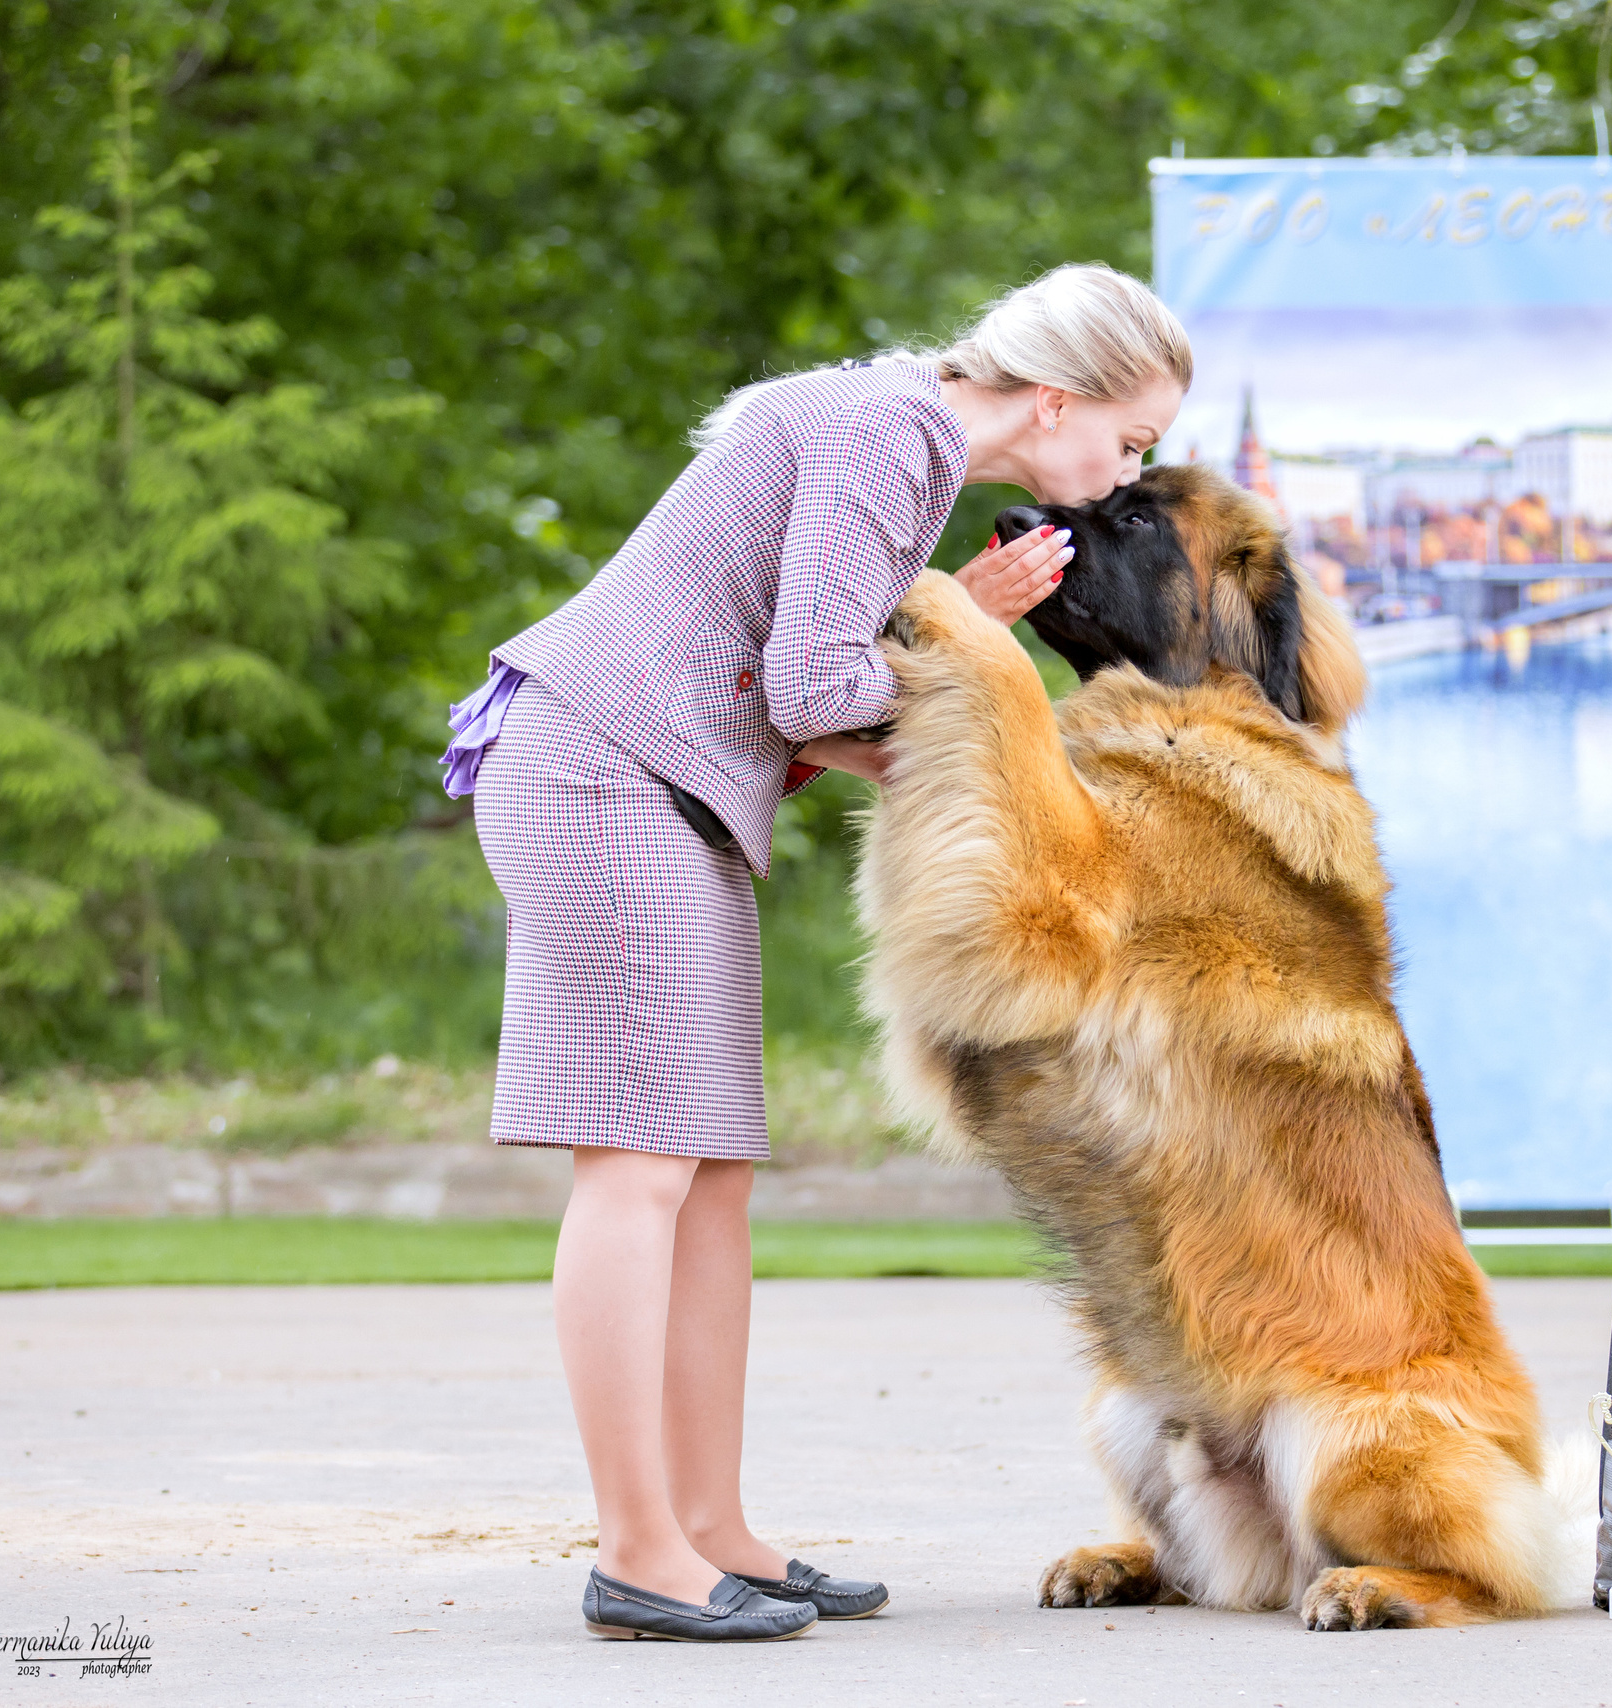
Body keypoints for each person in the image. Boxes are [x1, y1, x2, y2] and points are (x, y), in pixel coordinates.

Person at [438, 264, 1191, 1642]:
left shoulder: (898, 446)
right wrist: (976, 647)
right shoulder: (889, 432)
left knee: (708, 1176)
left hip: (659, 790)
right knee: (638, 1167)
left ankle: (711, 1528)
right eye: (1132, 439)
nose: (1125, 467)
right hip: (601, 780)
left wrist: (947, 625)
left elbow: (814, 687)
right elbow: (813, 686)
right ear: (1059, 398)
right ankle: (640, 1551)